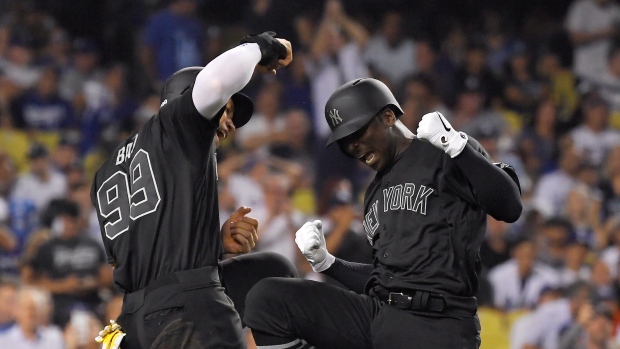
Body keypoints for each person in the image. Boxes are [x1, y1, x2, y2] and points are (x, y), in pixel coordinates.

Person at [243, 78, 523, 348]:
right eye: (345, 141)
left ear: (388, 117)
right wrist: (327, 263)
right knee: (269, 298)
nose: (352, 146)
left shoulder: (443, 150)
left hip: (439, 324)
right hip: (379, 318)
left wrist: (457, 145)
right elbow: (384, 281)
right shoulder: (374, 192)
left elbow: (509, 207)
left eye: (357, 132)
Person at [91, 32, 294, 349]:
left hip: (132, 321)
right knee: (278, 275)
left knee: (273, 270)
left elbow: (137, 257)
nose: (229, 123)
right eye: (224, 110)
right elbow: (213, 84)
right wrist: (260, 47)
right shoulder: (178, 123)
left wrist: (211, 243)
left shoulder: (106, 171)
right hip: (187, 312)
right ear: (186, 101)